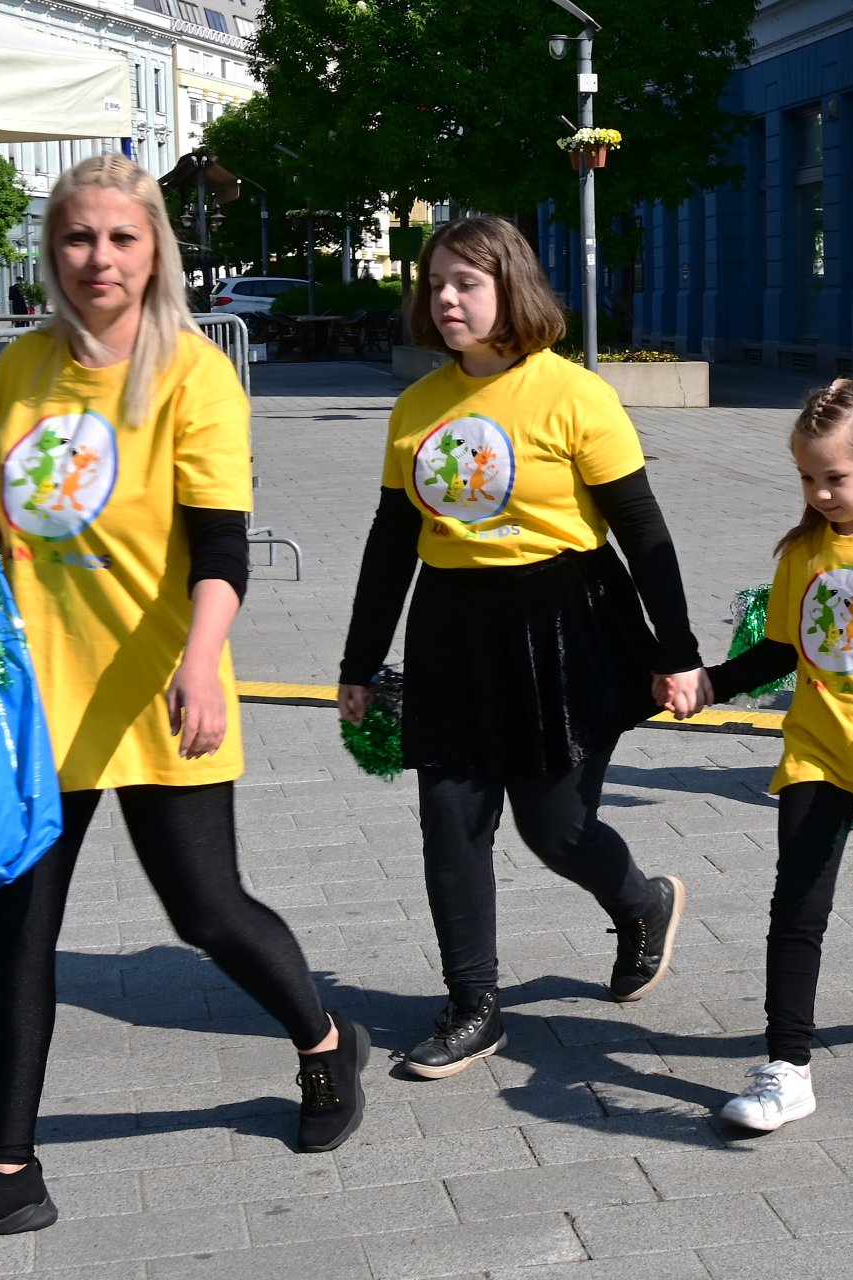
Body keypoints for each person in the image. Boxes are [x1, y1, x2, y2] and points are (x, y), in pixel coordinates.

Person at [0, 155, 369, 1259]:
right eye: (78, 238)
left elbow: (220, 540)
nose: (100, 257)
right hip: (34, 697)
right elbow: (36, 500)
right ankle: (9, 1169)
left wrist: (203, 660)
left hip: (163, 682)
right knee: (14, 933)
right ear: (52, 251)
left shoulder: (190, 372)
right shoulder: (21, 366)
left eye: (121, 237)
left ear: (154, 247)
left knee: (206, 910)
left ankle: (323, 1036)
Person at [336, 215, 701, 1081]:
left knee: (556, 828)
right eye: (436, 285)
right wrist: (358, 661)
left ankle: (643, 904)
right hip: (452, 626)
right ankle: (473, 1006)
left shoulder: (574, 395)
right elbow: (392, 541)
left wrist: (677, 650)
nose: (447, 298)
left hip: (565, 624)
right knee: (450, 820)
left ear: (511, 288)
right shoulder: (418, 406)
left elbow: (643, 531)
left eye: (466, 282)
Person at [662, 382, 853, 1129]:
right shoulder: (804, 551)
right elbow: (777, 650)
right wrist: (710, 682)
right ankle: (787, 1068)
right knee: (796, 907)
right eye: (808, 478)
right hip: (816, 752)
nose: (821, 492)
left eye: (835, 477)